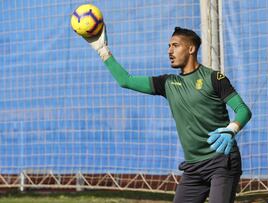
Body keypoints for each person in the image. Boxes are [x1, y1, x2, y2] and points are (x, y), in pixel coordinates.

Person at [84, 25, 252, 203]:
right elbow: (125, 81)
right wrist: (103, 50)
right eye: (168, 46)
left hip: (221, 162)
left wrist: (231, 129)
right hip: (193, 167)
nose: (169, 50)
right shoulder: (168, 83)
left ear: (191, 48)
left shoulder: (214, 78)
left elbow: (243, 110)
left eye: (175, 45)